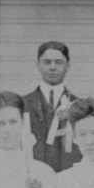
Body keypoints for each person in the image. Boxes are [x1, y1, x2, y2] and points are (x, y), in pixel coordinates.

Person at [23, 41, 82, 172]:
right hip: (34, 177)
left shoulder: (80, 106)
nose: (53, 67)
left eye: (59, 62)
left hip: (69, 176)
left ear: (68, 66)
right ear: (38, 65)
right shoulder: (23, 104)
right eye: (47, 62)